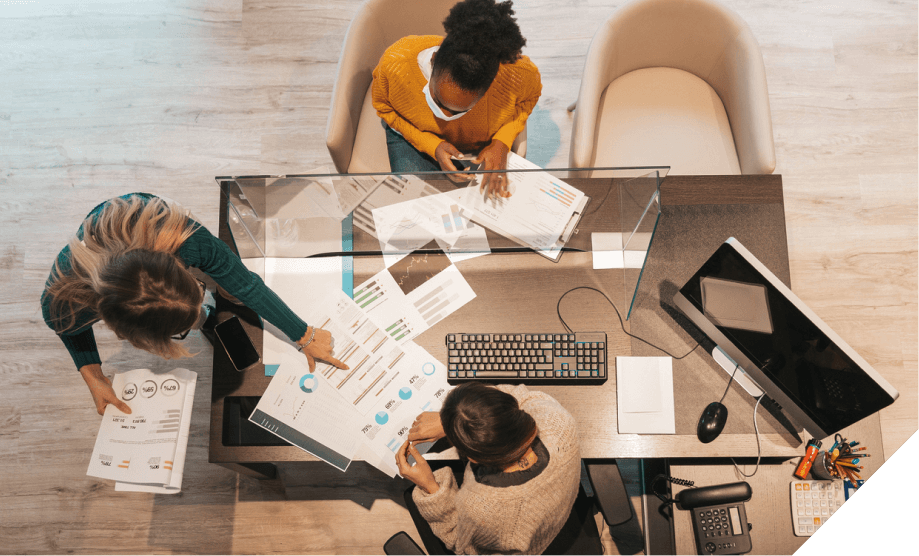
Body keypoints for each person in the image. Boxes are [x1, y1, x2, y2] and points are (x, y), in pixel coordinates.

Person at [41, 193, 347, 416]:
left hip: (143, 219)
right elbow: (69, 329)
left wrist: (304, 335)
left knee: (233, 290)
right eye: (182, 331)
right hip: (108, 244)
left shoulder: (187, 239)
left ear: (181, 267)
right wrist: (93, 375)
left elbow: (246, 285)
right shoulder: (62, 300)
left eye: (198, 293)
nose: (202, 312)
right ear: (124, 332)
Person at [372, 0, 541, 198]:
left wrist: (501, 141)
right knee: (413, 207)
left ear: (490, 85)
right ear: (434, 60)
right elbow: (385, 108)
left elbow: (528, 100)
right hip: (415, 133)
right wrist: (430, 144)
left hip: (478, 142)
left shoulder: (516, 74)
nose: (444, 116)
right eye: (438, 100)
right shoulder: (396, 64)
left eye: (460, 111)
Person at [395, 382, 580, 555]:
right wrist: (464, 420)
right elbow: (516, 396)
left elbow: (462, 544)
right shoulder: (557, 420)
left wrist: (430, 487)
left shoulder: (481, 507)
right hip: (560, 509)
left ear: (473, 457)